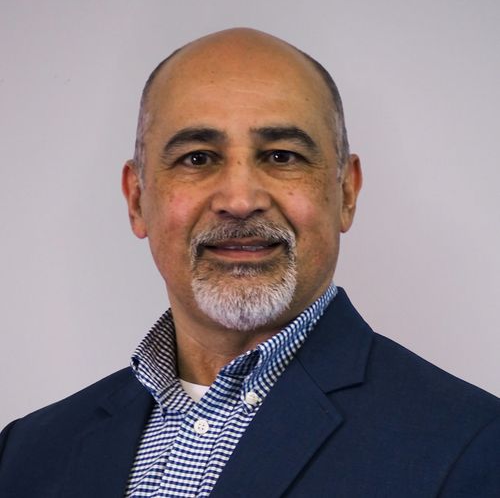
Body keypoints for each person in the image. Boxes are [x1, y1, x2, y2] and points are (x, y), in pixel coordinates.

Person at [0, 28, 498, 498]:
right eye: (197, 158)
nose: (240, 200)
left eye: (281, 156)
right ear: (136, 201)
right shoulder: (26, 453)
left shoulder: (473, 446)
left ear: (346, 193)